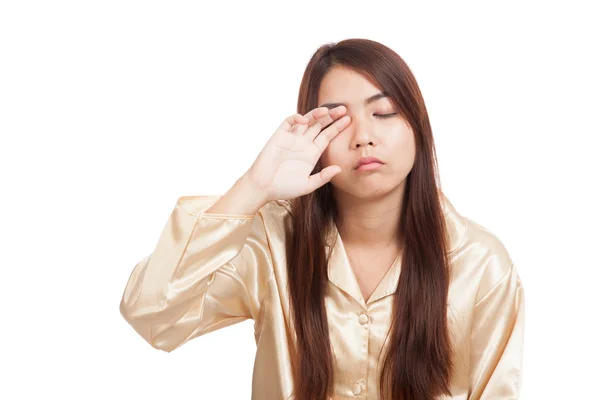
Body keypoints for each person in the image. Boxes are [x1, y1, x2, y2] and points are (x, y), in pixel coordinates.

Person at [119, 38, 525, 400]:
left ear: (417, 126)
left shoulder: (481, 263)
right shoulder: (270, 242)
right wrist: (253, 186)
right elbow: (154, 315)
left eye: (383, 112)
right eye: (338, 121)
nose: (363, 136)